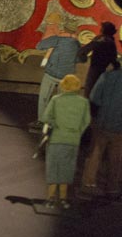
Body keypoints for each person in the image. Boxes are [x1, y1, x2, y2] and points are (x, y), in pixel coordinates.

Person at [40, 74, 90, 208]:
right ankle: (63, 199)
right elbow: (86, 121)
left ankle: (50, 198)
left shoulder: (56, 100)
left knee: (54, 168)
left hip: (57, 138)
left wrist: (55, 124)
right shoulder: (84, 102)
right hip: (73, 141)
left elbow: (45, 117)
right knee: (67, 169)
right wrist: (77, 131)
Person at [81, 57, 122, 198]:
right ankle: (112, 188)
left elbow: (94, 98)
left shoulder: (106, 76)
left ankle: (87, 184)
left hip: (102, 123)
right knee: (116, 158)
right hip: (119, 128)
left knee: (95, 153)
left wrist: (94, 118)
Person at [34, 13, 81, 128]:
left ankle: (42, 121)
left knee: (44, 97)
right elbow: (79, 58)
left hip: (52, 72)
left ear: (64, 28)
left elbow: (39, 46)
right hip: (66, 76)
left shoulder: (57, 39)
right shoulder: (77, 44)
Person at [78, 22, 119, 97]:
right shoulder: (111, 42)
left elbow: (84, 50)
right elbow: (114, 58)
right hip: (104, 69)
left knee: (89, 90)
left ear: (103, 30)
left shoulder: (100, 39)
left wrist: (83, 58)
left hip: (95, 67)